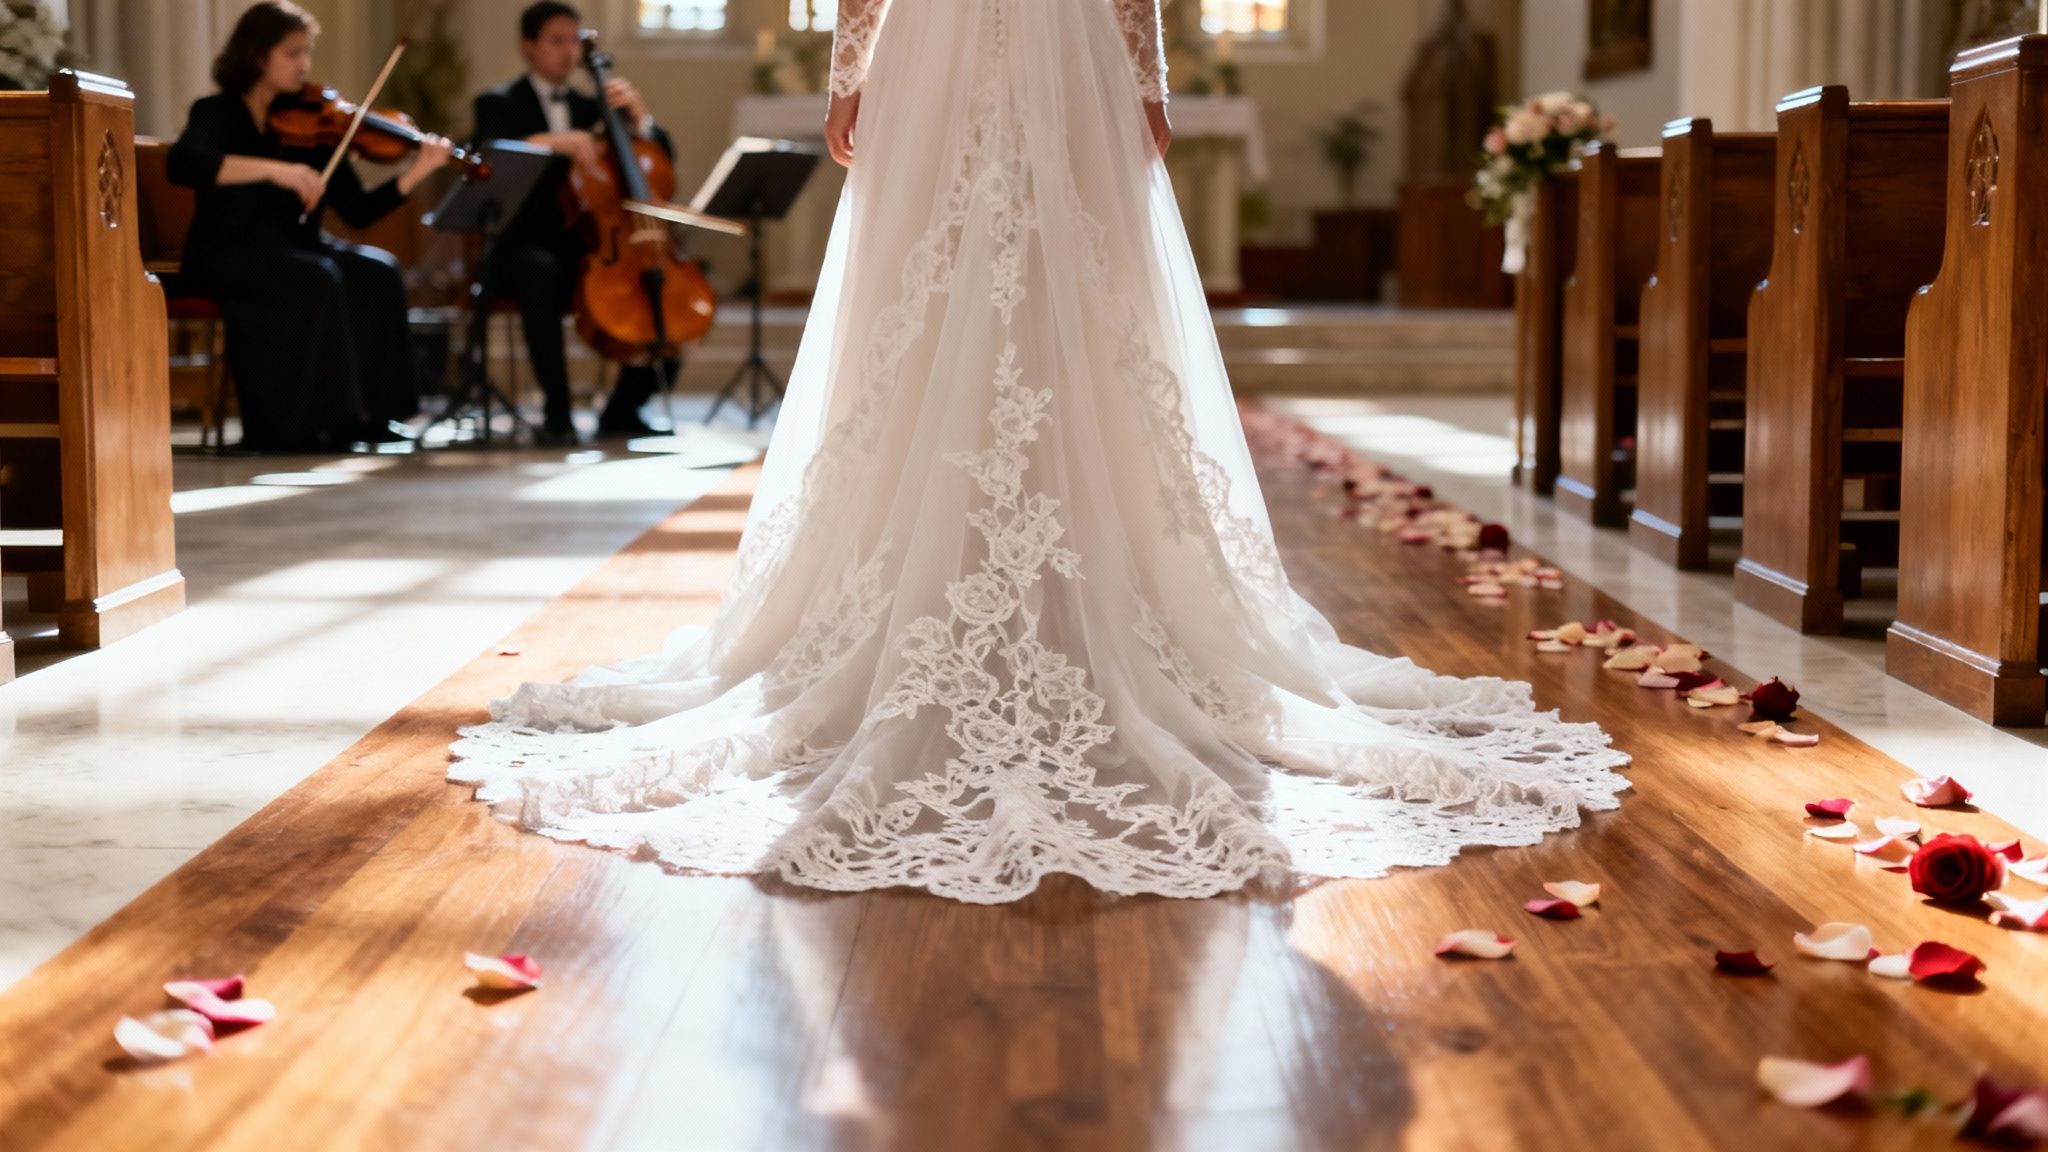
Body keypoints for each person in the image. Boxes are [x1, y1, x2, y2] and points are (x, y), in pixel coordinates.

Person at [449, 0, 1632, 904]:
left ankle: (994, 578)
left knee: (990, 295)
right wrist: (1137, 66)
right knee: (1028, 300)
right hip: (1042, 37)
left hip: (951, 38)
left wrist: (854, 62)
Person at [168, 0, 454, 453]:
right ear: (258, 55)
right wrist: (273, 170)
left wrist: (417, 171)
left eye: (307, 52)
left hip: (294, 246)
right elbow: (184, 165)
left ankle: (373, 417)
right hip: (226, 253)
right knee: (313, 277)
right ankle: (310, 424)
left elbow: (358, 210)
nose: (305, 64)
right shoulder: (216, 112)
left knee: (377, 272)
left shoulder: (316, 124)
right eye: (293, 53)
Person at [470, 1, 679, 446]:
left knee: (662, 286)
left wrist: (641, 120)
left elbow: (656, 162)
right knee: (537, 270)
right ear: (528, 46)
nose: (568, 52)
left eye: (574, 41)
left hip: (591, 248)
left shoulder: (592, 106)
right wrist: (550, 142)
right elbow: (486, 152)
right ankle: (558, 413)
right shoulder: (500, 102)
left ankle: (623, 411)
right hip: (523, 248)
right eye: (556, 41)